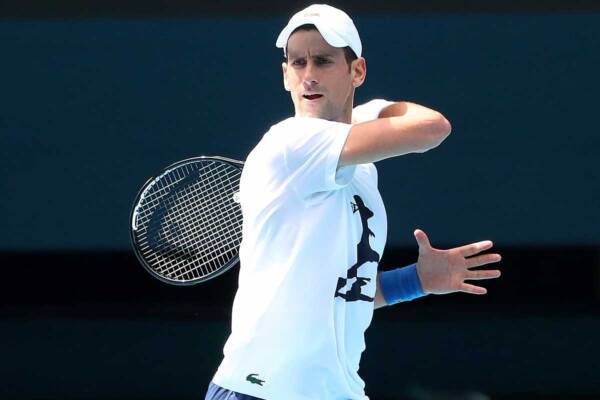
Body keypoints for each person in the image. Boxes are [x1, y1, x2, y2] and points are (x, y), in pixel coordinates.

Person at [205, 4, 501, 400]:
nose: (309, 75)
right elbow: (433, 127)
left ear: (357, 70)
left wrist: (416, 280)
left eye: (323, 61)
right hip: (258, 391)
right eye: (298, 63)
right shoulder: (291, 142)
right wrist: (372, 108)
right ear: (285, 75)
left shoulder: (361, 172)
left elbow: (345, 293)